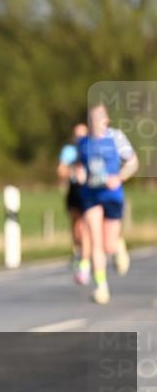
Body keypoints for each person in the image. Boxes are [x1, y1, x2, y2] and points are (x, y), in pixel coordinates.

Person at [74, 104, 137, 305]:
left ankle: (118, 245)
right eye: (91, 118)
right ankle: (101, 287)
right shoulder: (83, 142)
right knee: (95, 240)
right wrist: (79, 174)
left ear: (106, 120)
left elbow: (132, 162)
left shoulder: (116, 138)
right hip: (91, 195)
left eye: (99, 118)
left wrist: (119, 177)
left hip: (112, 195)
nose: (95, 122)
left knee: (108, 245)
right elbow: (78, 165)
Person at [58, 123, 90, 284]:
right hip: (74, 190)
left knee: (84, 227)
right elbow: (60, 171)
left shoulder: (91, 149)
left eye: (82, 135)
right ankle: (78, 250)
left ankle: (84, 263)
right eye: (77, 135)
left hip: (88, 191)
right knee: (76, 227)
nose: (79, 138)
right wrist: (72, 171)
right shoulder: (69, 151)